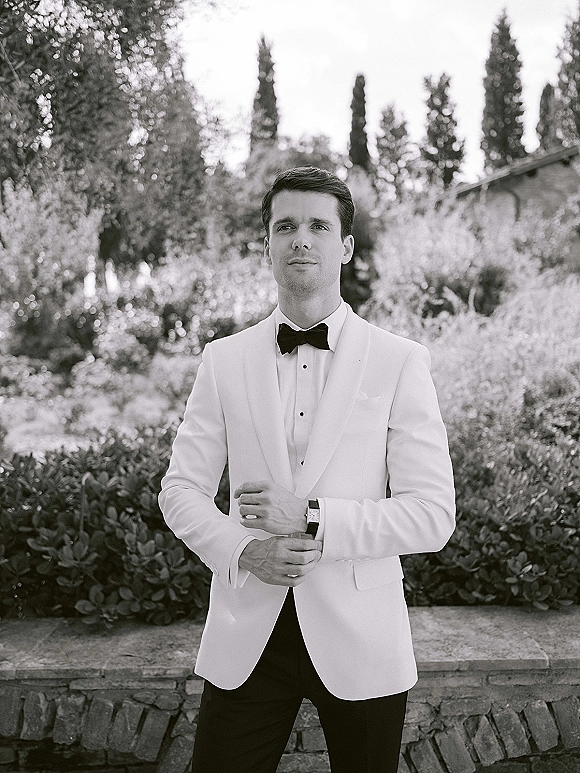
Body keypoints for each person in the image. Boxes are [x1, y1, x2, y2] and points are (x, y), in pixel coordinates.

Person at [158, 166, 455, 773]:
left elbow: (432, 516)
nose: (302, 239)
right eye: (285, 225)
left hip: (362, 634)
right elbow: (181, 490)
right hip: (248, 633)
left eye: (319, 226)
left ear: (344, 246)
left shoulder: (400, 361)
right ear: (267, 244)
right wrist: (244, 551)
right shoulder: (223, 360)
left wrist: (313, 518)